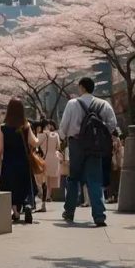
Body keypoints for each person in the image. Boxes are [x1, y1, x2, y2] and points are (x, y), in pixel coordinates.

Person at [58, 77, 117, 227]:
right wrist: (99, 135)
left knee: (73, 178)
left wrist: (63, 137)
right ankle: (99, 216)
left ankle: (69, 211)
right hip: (95, 146)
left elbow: (64, 126)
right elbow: (112, 124)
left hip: (76, 143)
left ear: (82, 87)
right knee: (95, 179)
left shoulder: (72, 104)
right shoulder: (103, 104)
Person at [0, 98, 38, 223]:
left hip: (8, 163)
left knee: (10, 187)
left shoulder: (2, 128)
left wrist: (0, 166)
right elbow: (34, 142)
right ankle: (27, 204)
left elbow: (0, 150)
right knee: (24, 185)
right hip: (23, 162)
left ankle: (15, 212)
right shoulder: (26, 126)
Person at [39, 120, 62, 211]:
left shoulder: (40, 135)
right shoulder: (55, 135)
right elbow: (58, 147)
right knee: (51, 178)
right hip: (53, 157)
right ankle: (48, 195)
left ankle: (44, 195)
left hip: (43, 157)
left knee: (44, 178)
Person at [107, 129, 124, 204]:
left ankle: (113, 196)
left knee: (113, 181)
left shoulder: (114, 140)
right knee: (115, 181)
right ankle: (114, 196)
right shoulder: (116, 140)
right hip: (115, 163)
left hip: (113, 163)